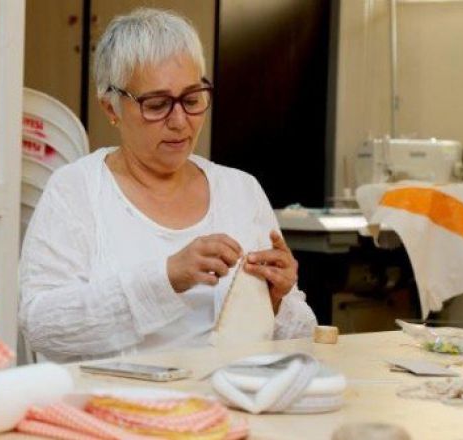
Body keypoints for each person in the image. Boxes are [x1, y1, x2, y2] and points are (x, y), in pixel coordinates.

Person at [19, 8, 317, 362]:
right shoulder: (77, 190)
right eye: (157, 105)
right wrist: (166, 279)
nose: (180, 122)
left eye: (192, 100)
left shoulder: (240, 190)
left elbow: (301, 335)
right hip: (117, 407)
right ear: (111, 108)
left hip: (232, 400)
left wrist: (278, 299)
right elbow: (42, 326)